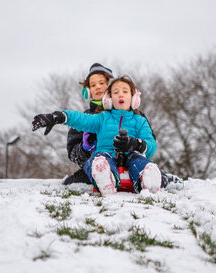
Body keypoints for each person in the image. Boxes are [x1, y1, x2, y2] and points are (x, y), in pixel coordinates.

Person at [32, 75, 162, 195]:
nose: (120, 95)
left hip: (131, 158)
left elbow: (151, 145)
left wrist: (136, 144)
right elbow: (82, 119)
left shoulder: (140, 121)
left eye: (125, 91)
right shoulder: (102, 118)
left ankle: (147, 178)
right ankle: (105, 177)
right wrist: (59, 117)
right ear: (109, 99)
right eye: (116, 92)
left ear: (134, 98)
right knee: (98, 158)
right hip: (107, 156)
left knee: (139, 160)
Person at [63, 63, 114, 185]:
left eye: (101, 83)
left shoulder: (125, 112)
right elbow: (72, 153)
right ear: (88, 91)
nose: (98, 87)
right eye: (93, 85)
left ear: (109, 86)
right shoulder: (83, 119)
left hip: (124, 162)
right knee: (71, 182)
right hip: (95, 165)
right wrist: (85, 148)